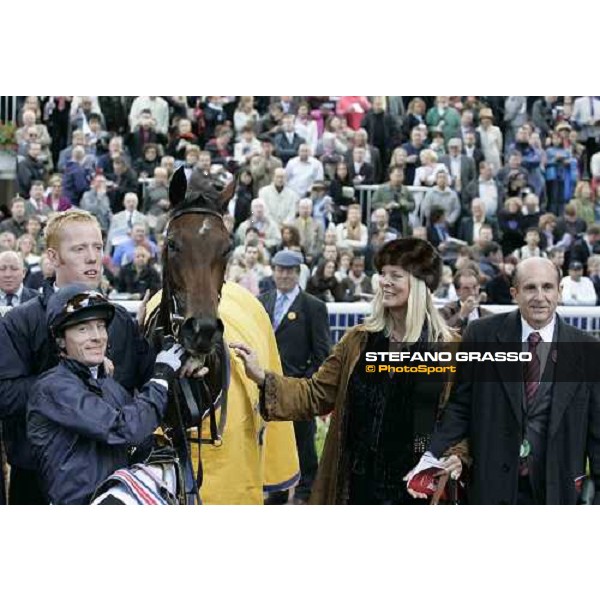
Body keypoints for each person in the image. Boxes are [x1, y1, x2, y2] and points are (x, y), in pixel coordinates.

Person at [232, 238, 466, 504]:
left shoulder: (449, 348)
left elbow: (463, 416)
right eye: (382, 274)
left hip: (417, 489)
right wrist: (263, 377)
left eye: (396, 275)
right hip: (356, 487)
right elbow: (315, 393)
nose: (384, 282)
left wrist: (457, 454)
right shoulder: (358, 341)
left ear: (421, 285)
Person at [0, 209, 208, 504]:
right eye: (79, 248)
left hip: (111, 481)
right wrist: (77, 377)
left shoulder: (120, 321)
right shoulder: (19, 321)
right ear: (53, 257)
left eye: (98, 247)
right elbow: (5, 395)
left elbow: (152, 378)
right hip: (36, 479)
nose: (92, 257)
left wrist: (185, 362)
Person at [412, 256, 600, 504]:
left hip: (558, 491)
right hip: (493, 488)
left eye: (547, 287)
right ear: (514, 293)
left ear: (560, 292)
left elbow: (597, 430)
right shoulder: (482, 335)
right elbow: (460, 406)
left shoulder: (587, 349)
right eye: (530, 287)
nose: (539, 296)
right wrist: (430, 455)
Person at [27, 286, 185, 505]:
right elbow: (124, 429)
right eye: (83, 329)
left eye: (101, 326)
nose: (97, 337)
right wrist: (159, 379)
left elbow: (140, 433)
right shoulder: (53, 387)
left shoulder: (109, 385)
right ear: (61, 340)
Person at [258, 251, 331, 504]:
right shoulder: (261, 302)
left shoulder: (313, 306)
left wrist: (308, 384)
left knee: (303, 442)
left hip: (296, 387)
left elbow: (322, 352)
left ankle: (305, 491)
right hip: (265, 385)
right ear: (273, 271)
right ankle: (276, 491)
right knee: (272, 442)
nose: (284, 275)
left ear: (298, 273)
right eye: (279, 269)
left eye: (289, 270)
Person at [439, 269, 491, 335]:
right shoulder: (446, 311)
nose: (472, 292)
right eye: (466, 288)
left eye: (475, 287)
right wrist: (462, 315)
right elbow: (442, 333)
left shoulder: (487, 315)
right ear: (457, 291)